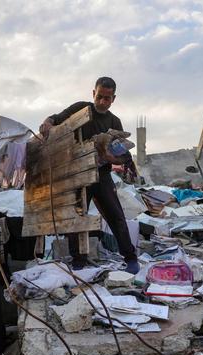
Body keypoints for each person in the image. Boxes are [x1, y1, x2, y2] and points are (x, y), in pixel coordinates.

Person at [39, 76, 139, 274]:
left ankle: (130, 258)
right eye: (99, 97)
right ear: (93, 93)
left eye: (107, 99)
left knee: (116, 216)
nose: (102, 102)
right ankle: (79, 262)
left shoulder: (114, 121)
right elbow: (55, 118)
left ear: (113, 99)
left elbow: (119, 158)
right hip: (77, 173)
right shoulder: (80, 109)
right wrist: (47, 123)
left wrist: (111, 158)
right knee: (77, 218)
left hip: (101, 175)